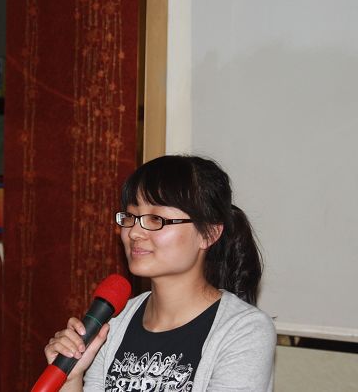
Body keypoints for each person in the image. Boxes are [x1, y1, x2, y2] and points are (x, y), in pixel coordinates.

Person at [43, 155, 276, 391]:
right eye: (130, 217)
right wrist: (71, 379)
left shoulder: (244, 330)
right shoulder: (115, 323)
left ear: (209, 234)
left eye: (156, 219)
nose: (134, 232)